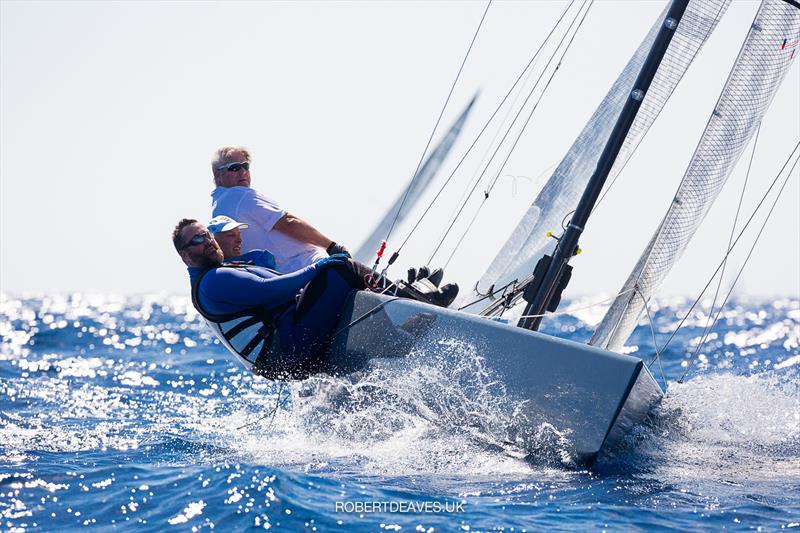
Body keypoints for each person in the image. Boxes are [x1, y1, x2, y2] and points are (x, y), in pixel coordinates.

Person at [173, 219, 456, 379]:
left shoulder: (220, 274)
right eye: (197, 240)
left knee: (344, 295)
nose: (207, 240)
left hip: (289, 356)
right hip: (291, 351)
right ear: (185, 255)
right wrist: (319, 266)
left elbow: (272, 285)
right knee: (341, 269)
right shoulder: (213, 281)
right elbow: (276, 290)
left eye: (206, 235)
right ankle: (417, 299)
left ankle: (403, 329)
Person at [209, 146, 349, 273]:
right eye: (234, 168)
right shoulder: (239, 195)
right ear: (218, 176)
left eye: (246, 166)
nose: (243, 172)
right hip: (309, 264)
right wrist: (331, 246)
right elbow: (288, 222)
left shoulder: (219, 206)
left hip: (286, 277)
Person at [207, 215, 277, 269]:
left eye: (239, 234)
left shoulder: (258, 257)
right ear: (213, 241)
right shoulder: (205, 271)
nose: (239, 240)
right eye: (231, 235)